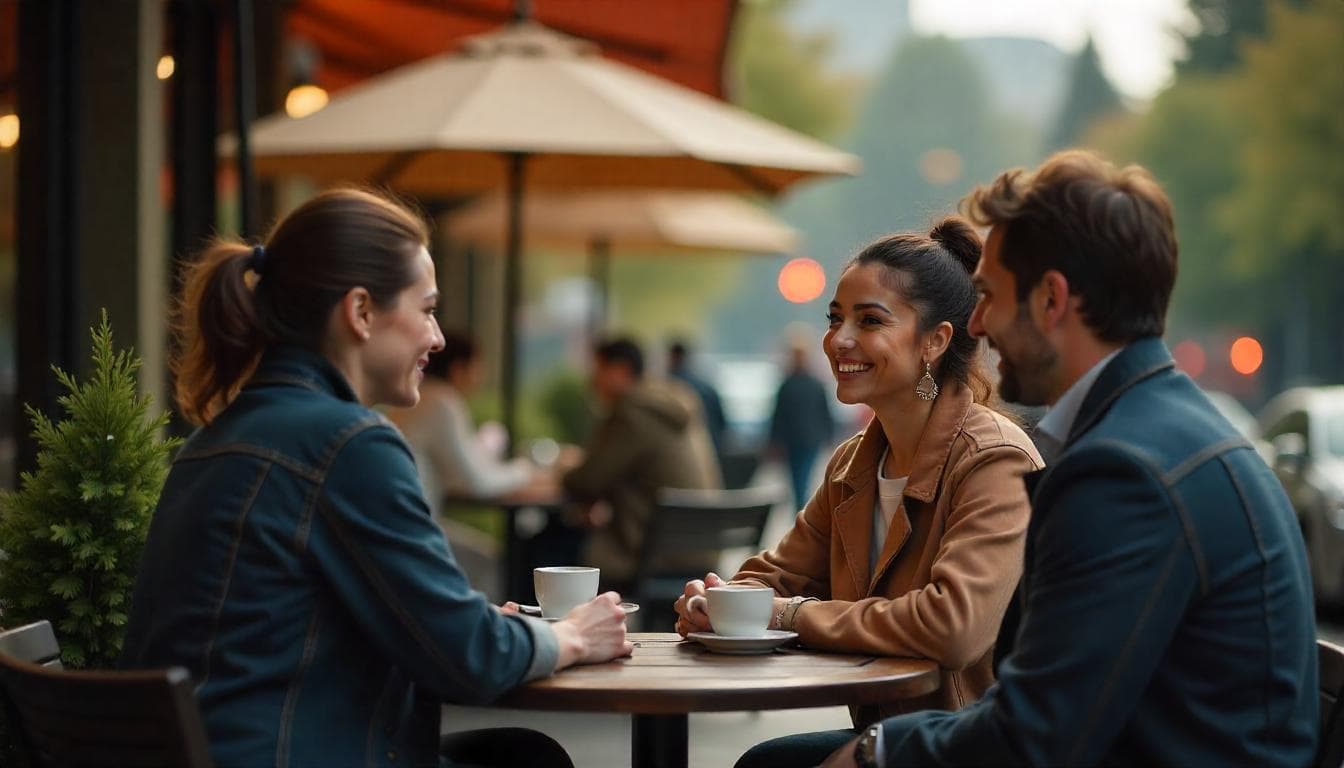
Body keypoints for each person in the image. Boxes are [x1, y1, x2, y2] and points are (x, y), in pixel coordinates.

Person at [819, 151, 1318, 768]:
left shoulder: (1122, 471)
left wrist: (876, 753)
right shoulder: (1162, 428)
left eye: (989, 296)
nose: (977, 323)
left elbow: (1037, 738)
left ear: (1052, 300)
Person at [120, 188, 632, 768]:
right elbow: (470, 659)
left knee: (521, 753)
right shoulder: (349, 443)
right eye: (428, 309)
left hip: (228, 747)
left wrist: (473, 625)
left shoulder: (216, 439)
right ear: (361, 311)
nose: (437, 339)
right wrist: (573, 636)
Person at [675, 217, 1043, 768]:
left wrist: (787, 615)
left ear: (935, 342)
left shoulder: (993, 459)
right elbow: (772, 577)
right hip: (893, 738)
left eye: (869, 321)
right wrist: (720, 603)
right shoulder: (853, 463)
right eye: (835, 318)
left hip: (977, 748)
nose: (838, 340)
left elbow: (952, 628)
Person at [563, 337, 721, 590]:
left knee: (549, 545)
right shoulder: (671, 402)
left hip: (653, 555)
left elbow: (586, 481)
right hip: (701, 552)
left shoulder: (633, 411)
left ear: (620, 369)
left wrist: (563, 468)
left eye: (598, 370)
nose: (591, 381)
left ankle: (539, 628)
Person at [389, 331, 551, 514]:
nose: (481, 376)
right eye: (477, 367)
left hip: (405, 517)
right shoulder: (441, 402)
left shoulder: (420, 397)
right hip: (413, 526)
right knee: (485, 545)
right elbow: (476, 481)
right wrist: (525, 471)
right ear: (458, 369)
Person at [767, 332, 838, 510]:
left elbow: (824, 412)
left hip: (804, 440)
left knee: (800, 478)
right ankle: (801, 509)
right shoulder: (804, 384)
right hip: (801, 439)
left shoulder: (789, 384)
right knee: (799, 478)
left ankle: (800, 509)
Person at [667, 338, 728, 457]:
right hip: (711, 448)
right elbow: (722, 423)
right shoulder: (707, 388)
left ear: (672, 357)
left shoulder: (668, 389)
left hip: (682, 451)